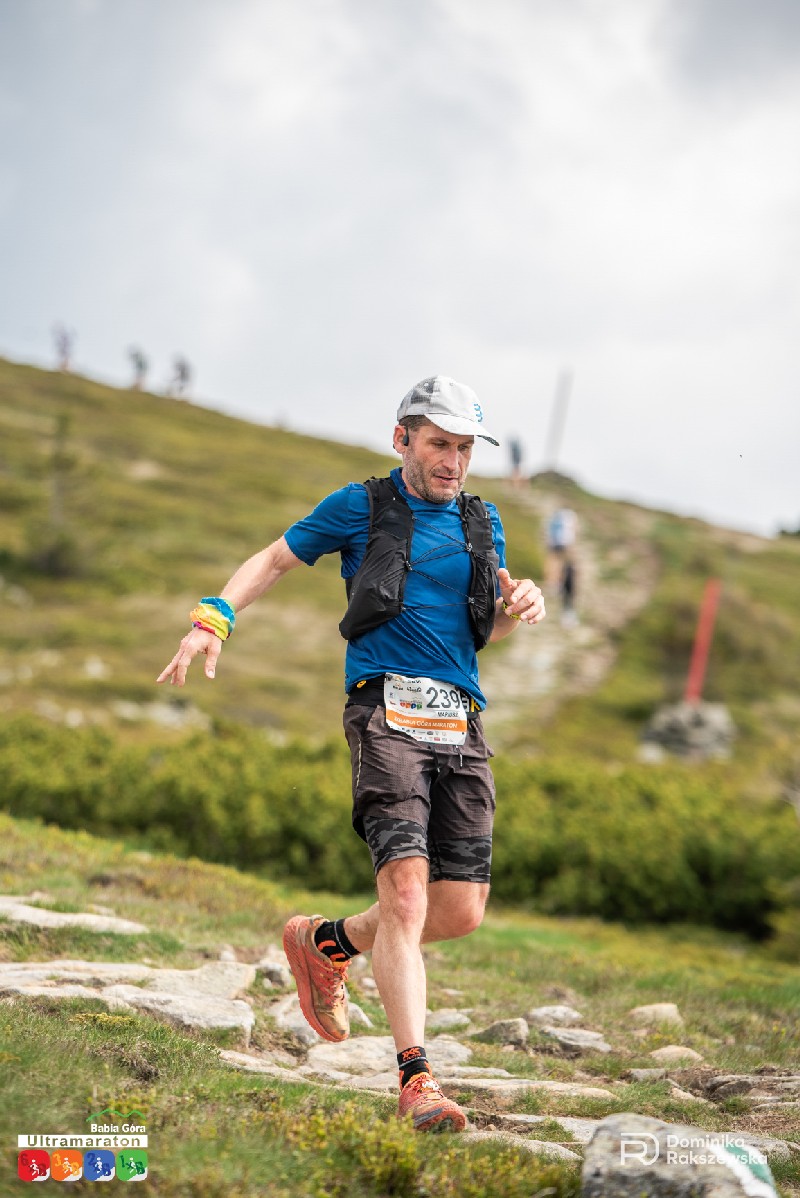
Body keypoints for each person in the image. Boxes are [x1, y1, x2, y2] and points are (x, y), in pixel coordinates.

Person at [157, 376, 546, 1133]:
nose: (453, 463)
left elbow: (483, 631)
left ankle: (326, 943)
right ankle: (417, 1081)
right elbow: (273, 559)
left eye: (465, 449)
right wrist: (213, 619)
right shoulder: (360, 506)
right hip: (384, 713)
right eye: (439, 445)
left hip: (461, 722)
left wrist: (516, 608)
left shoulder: (483, 521)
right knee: (406, 895)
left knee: (458, 911)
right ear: (403, 439)